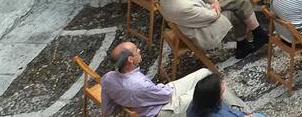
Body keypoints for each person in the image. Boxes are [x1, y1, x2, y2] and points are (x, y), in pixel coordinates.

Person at [101, 40, 246, 117]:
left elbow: (108, 108)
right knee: (211, 89)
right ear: (131, 60)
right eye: (135, 50)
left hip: (156, 96)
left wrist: (128, 105)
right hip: (163, 109)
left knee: (205, 73)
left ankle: (234, 109)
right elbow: (166, 96)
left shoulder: (108, 78)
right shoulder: (137, 85)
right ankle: (241, 112)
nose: (139, 49)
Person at [158, 0, 265, 59]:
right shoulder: (183, 7)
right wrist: (216, 5)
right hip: (203, 31)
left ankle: (258, 33)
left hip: (203, 9)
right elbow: (212, 16)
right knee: (235, 13)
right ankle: (243, 45)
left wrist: (214, 1)